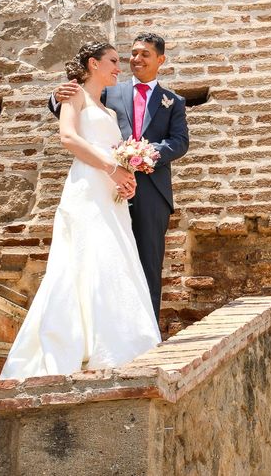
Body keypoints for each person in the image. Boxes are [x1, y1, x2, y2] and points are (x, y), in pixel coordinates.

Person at [0, 42, 161, 379]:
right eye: (114, 61)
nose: (121, 67)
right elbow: (69, 138)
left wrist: (125, 176)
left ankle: (117, 343)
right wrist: (110, 167)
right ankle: (76, 345)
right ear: (93, 63)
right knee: (83, 257)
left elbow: (116, 149)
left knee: (114, 259)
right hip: (87, 187)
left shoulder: (112, 111)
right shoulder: (72, 96)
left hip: (110, 192)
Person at [49, 32, 189, 322]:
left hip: (152, 189)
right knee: (109, 254)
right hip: (107, 182)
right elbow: (77, 105)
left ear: (160, 60)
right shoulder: (111, 89)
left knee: (148, 262)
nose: (136, 59)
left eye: (145, 54)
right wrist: (55, 95)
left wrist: (145, 155)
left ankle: (148, 330)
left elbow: (179, 142)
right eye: (133, 53)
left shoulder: (173, 101)